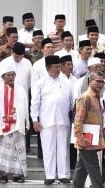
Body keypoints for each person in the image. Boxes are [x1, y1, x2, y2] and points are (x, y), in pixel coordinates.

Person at [31, 55, 73, 185]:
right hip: (46, 120)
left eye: (59, 66)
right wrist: (34, 120)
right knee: (48, 149)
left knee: (63, 149)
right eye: (56, 67)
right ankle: (49, 175)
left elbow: (71, 101)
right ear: (48, 68)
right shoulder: (40, 82)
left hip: (63, 119)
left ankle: (63, 174)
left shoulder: (66, 81)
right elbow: (35, 103)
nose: (59, 69)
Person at [0, 64, 29, 184]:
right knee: (5, 151)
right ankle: (3, 175)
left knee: (18, 150)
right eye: (8, 75)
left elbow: (25, 108)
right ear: (3, 77)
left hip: (18, 125)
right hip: (4, 126)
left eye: (13, 75)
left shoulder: (21, 89)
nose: (11, 77)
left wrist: (27, 123)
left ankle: (18, 174)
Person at [72, 71, 105, 188]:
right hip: (86, 140)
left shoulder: (96, 97)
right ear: (90, 81)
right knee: (94, 169)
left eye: (102, 82)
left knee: (81, 169)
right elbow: (78, 119)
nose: (100, 84)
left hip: (92, 139)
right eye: (98, 81)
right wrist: (80, 137)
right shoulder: (86, 97)